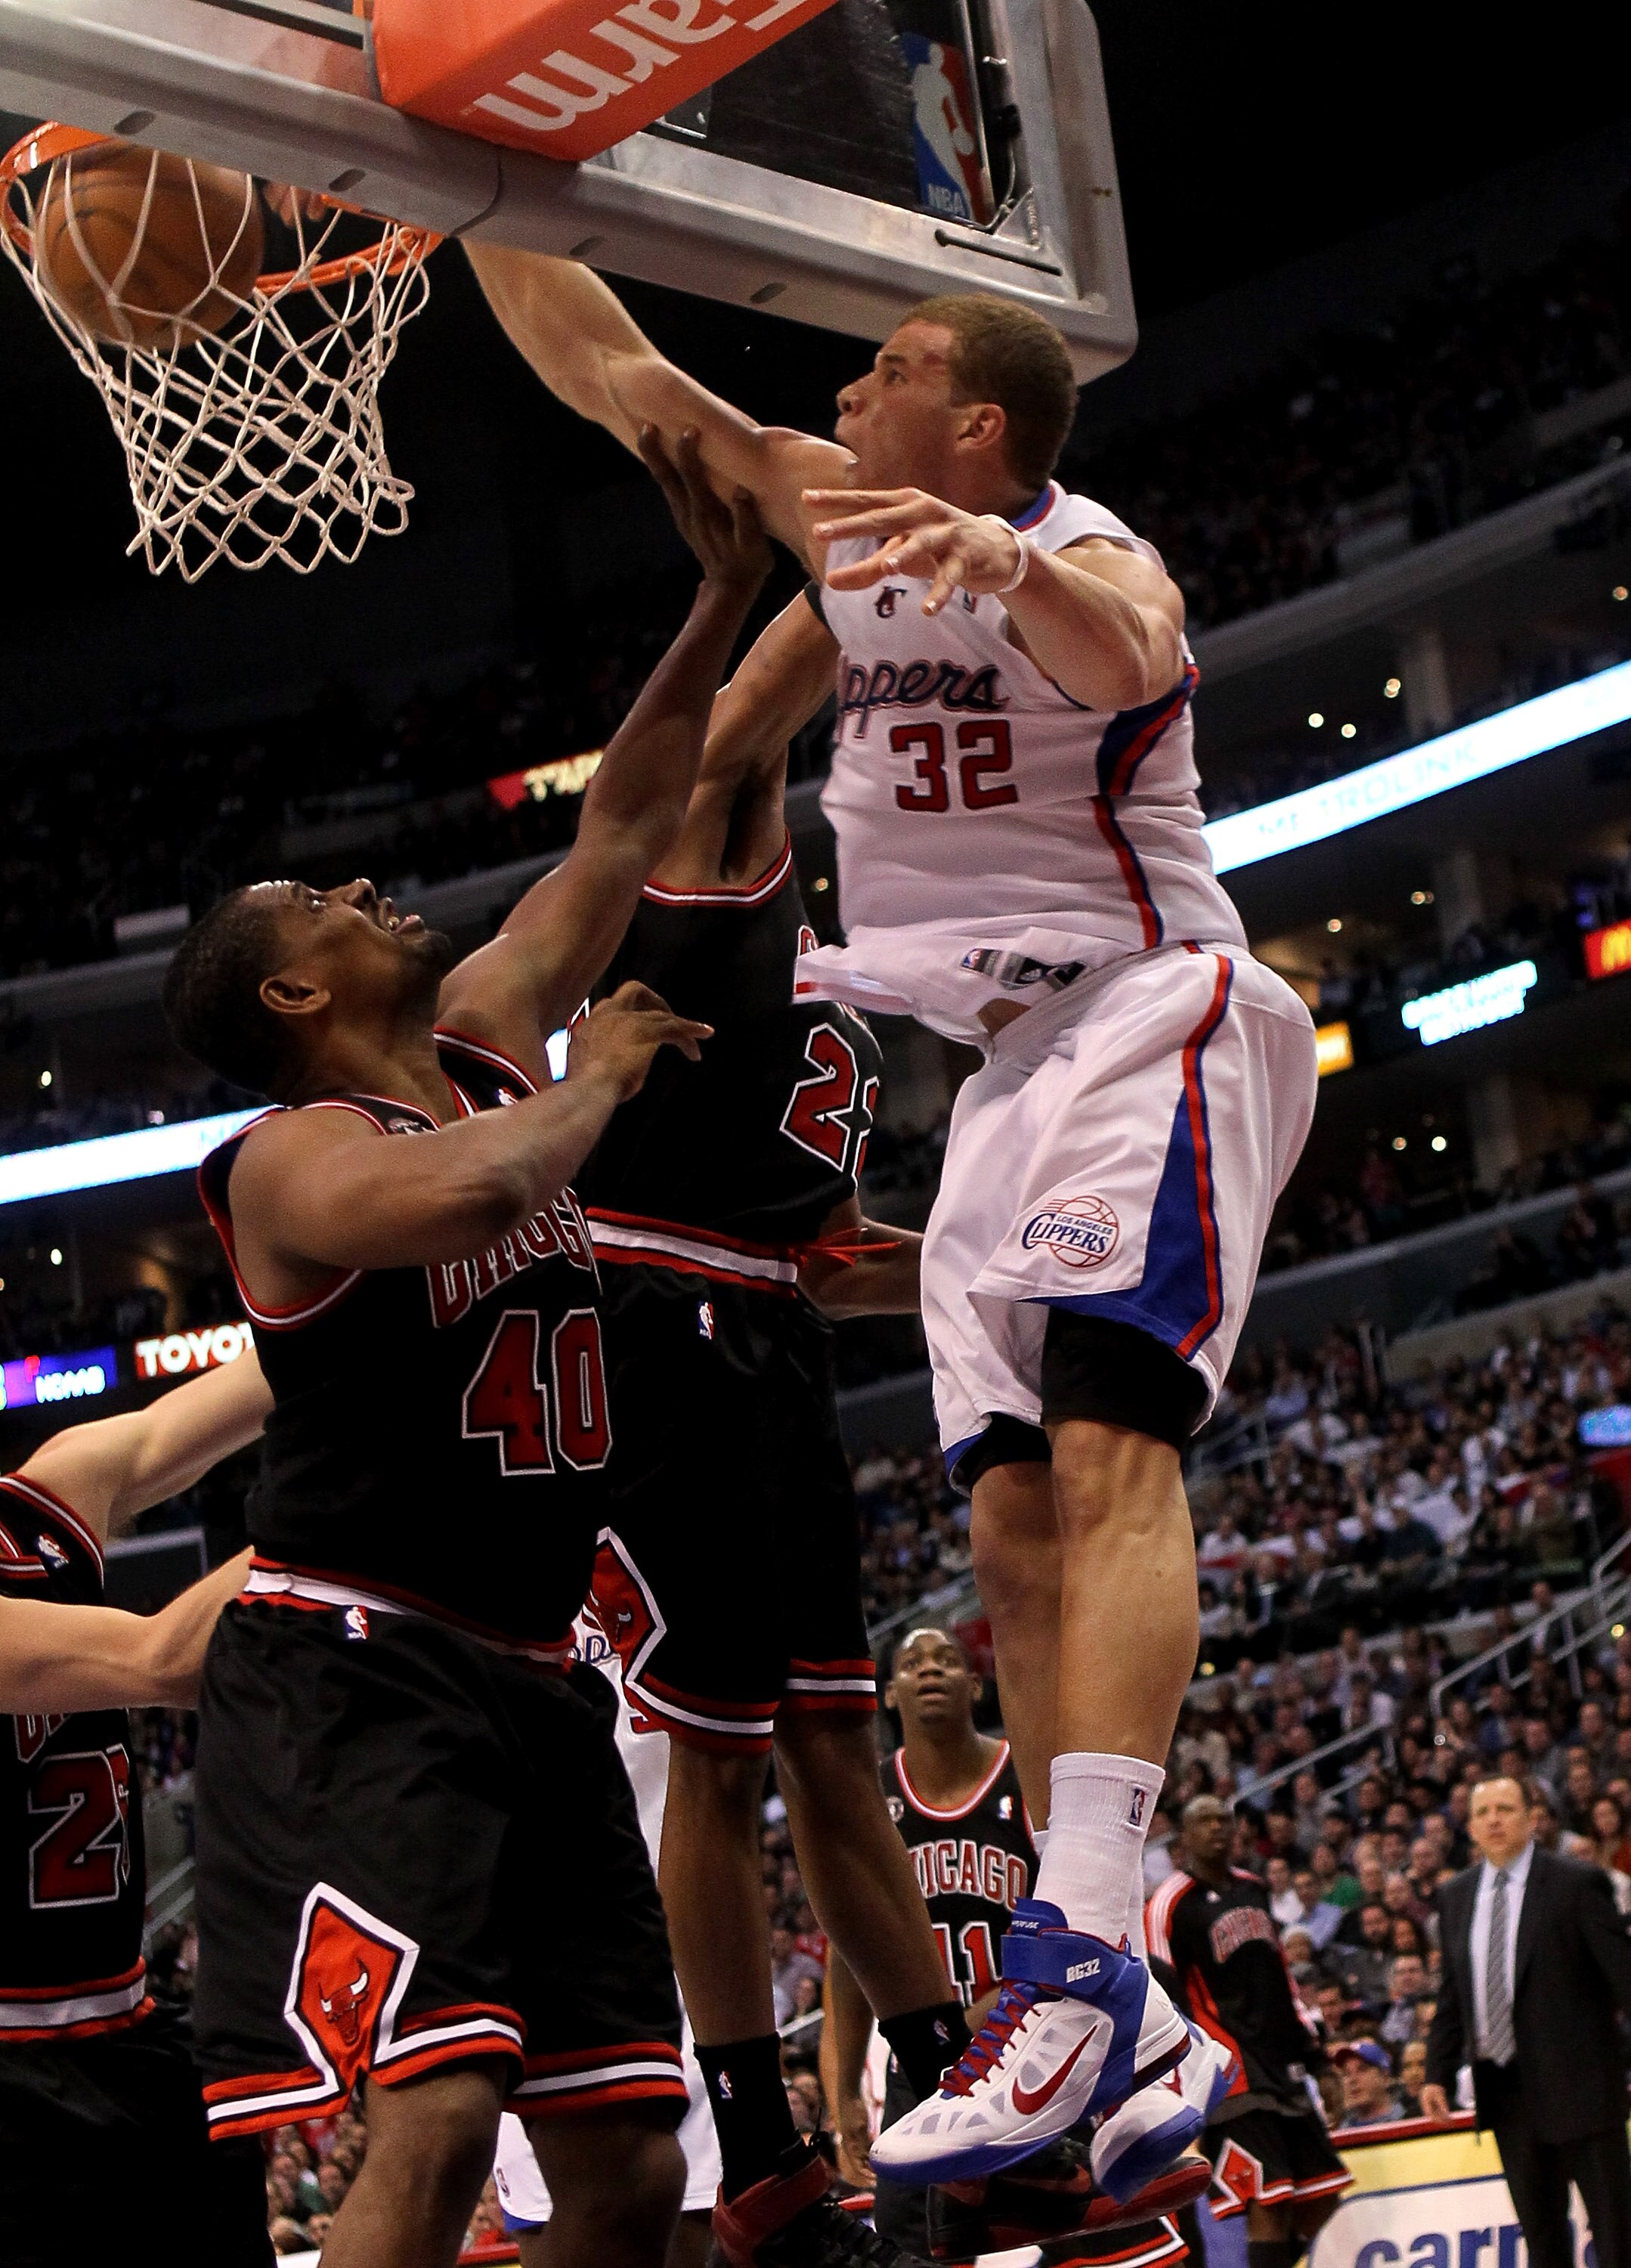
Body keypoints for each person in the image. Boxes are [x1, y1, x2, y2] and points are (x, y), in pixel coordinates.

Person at [467, 243, 1318, 2183]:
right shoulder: (843, 521)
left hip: (1146, 1005)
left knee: (1106, 1456)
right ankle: (1159, 2029)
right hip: (1000, 1075)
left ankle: (1083, 1955)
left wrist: (1006, 565)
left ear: (982, 419)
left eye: (889, 371)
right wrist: (469, 202)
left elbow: (1130, 641)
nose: (849, 397)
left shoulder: (1087, 549)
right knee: (1010, 1519)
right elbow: (632, 381)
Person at [160, 434, 772, 2268]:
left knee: (632, 2174)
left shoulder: (494, 1025)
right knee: (430, 2132)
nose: (368, 899)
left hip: (530, 1669)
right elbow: (469, 1192)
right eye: (326, 914)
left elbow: (626, 821)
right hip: (359, 1669)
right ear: (294, 995)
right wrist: (594, 1088)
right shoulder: (292, 1159)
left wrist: (730, 594)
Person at [573, 614, 967, 2266]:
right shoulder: (700, 858)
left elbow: (832, 1252)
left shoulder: (837, 990)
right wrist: (849, 557)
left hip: (770, 1338)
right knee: (723, 1757)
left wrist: (1008, 1259)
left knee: (832, 1748)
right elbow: (731, 734)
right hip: (654, 1329)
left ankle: (959, 2091)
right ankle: (753, 2141)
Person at [0, 1353, 271, 2266]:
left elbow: (194, 1414)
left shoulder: (37, 1506)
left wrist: (388, 1311)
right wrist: (358, 1474)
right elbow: (166, 1661)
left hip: (131, 2035)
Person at [830, 1626, 1212, 2266]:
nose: (930, 1671)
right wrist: (842, 2083)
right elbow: (847, 1948)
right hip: (919, 2060)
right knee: (917, 2247)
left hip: (1031, 2044)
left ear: (975, 1685)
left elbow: (1081, 1910)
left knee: (1106, 2235)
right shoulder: (874, 1797)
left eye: (947, 1661)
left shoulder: (1024, 1775)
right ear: (890, 1693)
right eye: (913, 1663)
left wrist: (994, 2007)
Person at [490, 1597, 721, 2268]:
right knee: (555, 2226)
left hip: (678, 1958)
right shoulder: (459, 1562)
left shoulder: (660, 1539)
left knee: (680, 2223)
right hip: (524, 1959)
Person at [1423, 1775, 1631, 2268]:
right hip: (1507, 2092)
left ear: (1531, 1818)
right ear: (1469, 1827)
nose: (1494, 1819)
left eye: (1506, 1808)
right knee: (1542, 2241)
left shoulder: (1576, 1882)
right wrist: (1436, 2070)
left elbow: (1624, 1977)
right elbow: (1455, 1994)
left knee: (1617, 2234)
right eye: (1483, 1812)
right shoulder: (1455, 1896)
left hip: (1583, 2088)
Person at [1147, 1799, 1350, 2268]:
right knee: (1270, 2199)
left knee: (1322, 2195)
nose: (1218, 1828)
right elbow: (1160, 1999)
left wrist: (1319, 2062)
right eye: (1205, 1821)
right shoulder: (1169, 1904)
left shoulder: (1254, 1890)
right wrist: (1178, 2090)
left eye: (1224, 1819)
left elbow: (1285, 1981)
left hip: (1281, 2066)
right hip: (1228, 2073)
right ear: (1184, 1836)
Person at [1330, 2041, 1400, 2128]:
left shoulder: (1408, 2120)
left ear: (1385, 2078)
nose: (1352, 2080)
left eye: (1362, 2069)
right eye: (1346, 2074)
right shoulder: (1342, 2131)